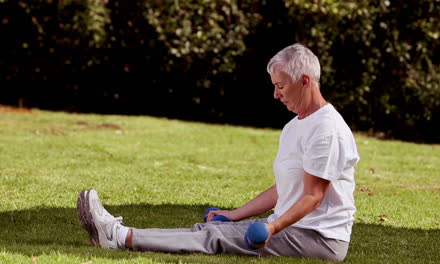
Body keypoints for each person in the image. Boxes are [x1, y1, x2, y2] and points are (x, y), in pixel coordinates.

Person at [77, 43, 360, 262]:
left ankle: (118, 237)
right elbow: (283, 190)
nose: (276, 95)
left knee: (214, 237)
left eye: (281, 86)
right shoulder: (295, 126)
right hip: (299, 227)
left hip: (319, 237)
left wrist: (272, 229)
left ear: (306, 81)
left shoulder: (326, 130)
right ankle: (121, 235)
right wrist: (234, 214)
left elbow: (313, 196)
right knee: (212, 230)